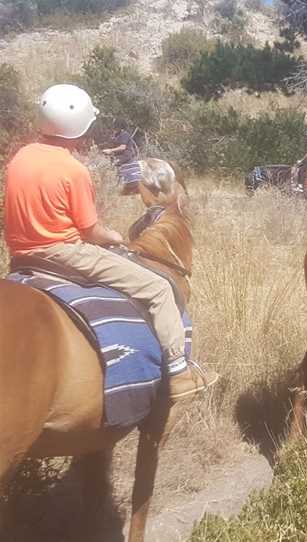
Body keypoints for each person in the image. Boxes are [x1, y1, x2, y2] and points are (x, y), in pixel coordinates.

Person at [3, 84, 218, 400]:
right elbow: (90, 230)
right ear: (79, 128)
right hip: (63, 254)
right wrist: (114, 236)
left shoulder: (20, 157)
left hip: (21, 256)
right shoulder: (73, 169)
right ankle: (179, 371)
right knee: (158, 289)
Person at [102, 120, 142, 195]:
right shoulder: (116, 135)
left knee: (111, 166)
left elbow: (122, 147)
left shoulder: (124, 134)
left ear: (120, 127)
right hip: (117, 156)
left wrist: (110, 150)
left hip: (125, 156)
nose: (114, 128)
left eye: (116, 126)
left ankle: (122, 184)